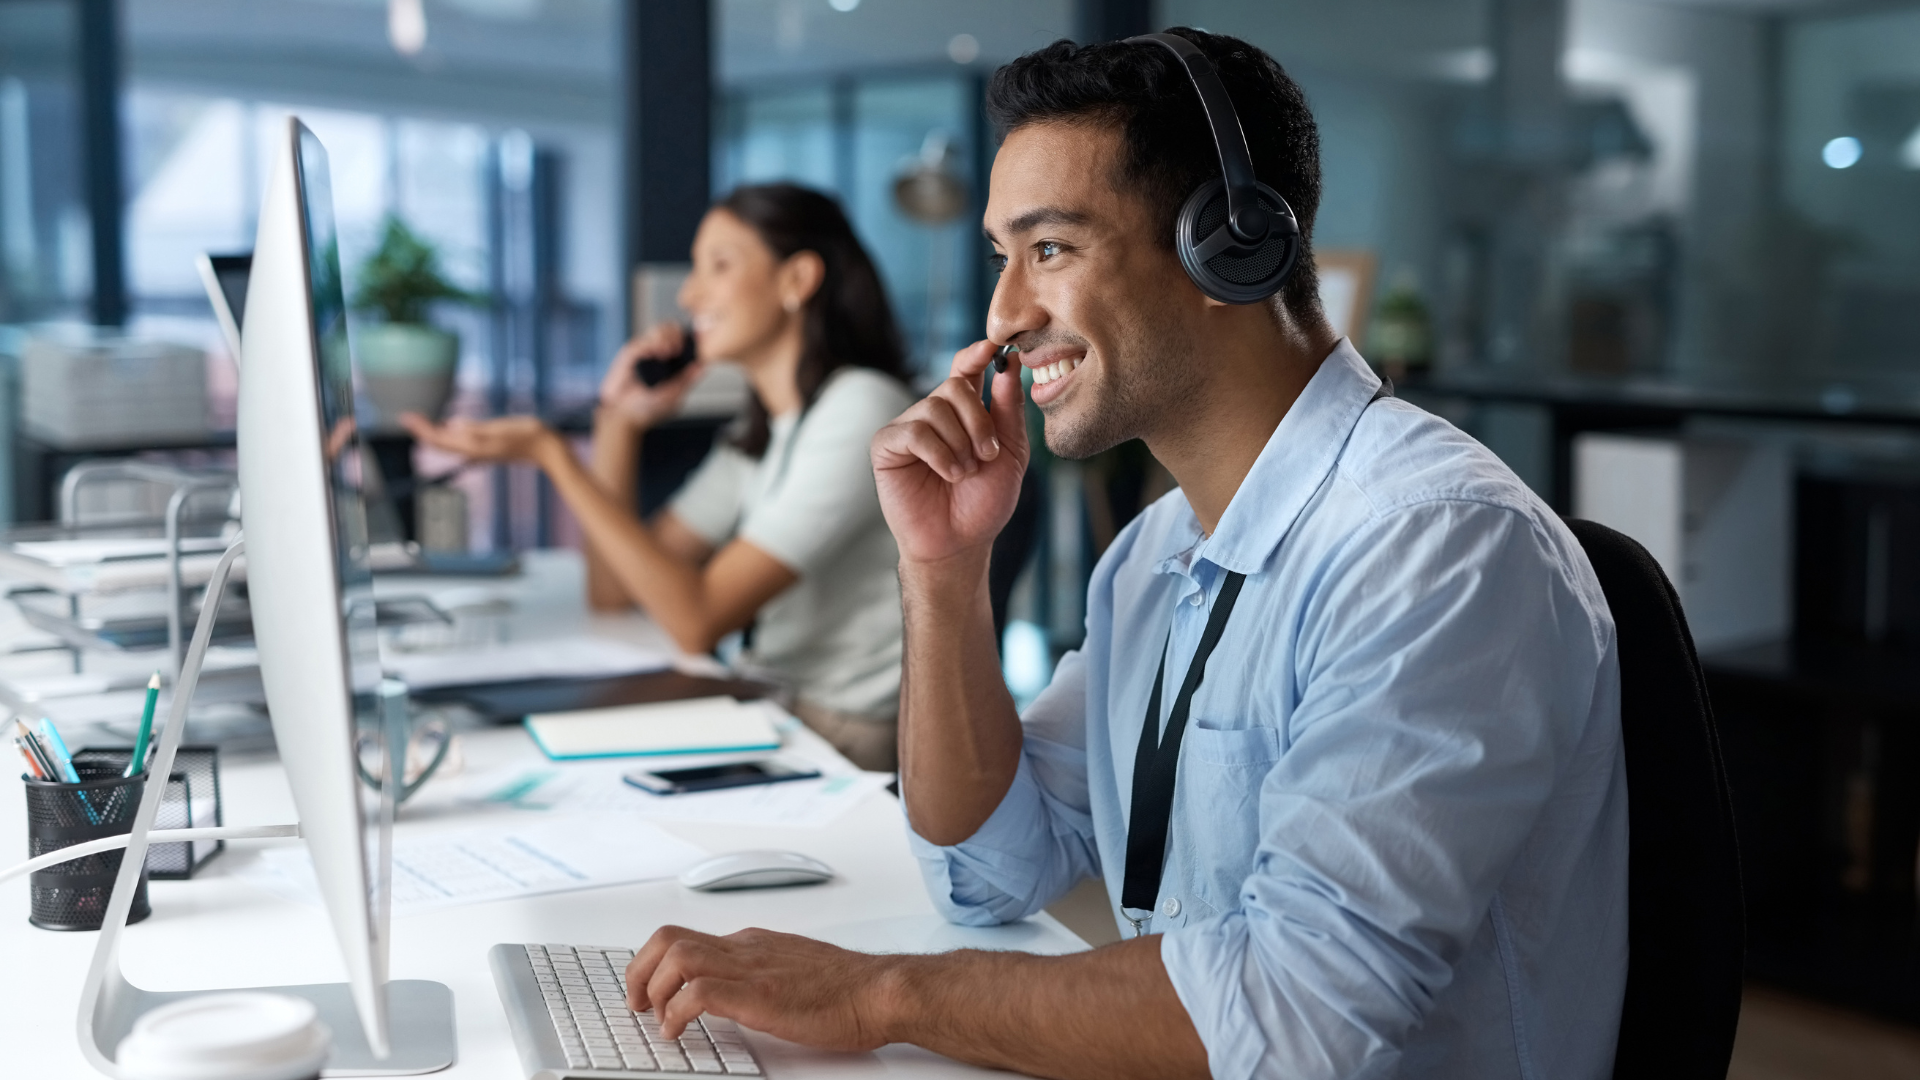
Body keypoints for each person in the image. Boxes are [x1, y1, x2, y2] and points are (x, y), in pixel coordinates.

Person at [617, 29, 1627, 1080]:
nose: (1005, 314)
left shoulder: (1435, 548)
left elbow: (1292, 1018)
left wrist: (881, 994)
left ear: (1229, 249)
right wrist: (943, 573)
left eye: (1051, 249)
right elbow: (987, 869)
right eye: (1002, 259)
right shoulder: (1155, 555)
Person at [404, 183, 915, 771]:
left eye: (719, 266)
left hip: (842, 733)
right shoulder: (765, 427)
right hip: (777, 707)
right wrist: (618, 424)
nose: (692, 294)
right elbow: (615, 591)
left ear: (796, 280)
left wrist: (554, 454)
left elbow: (695, 619)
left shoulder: (860, 409)